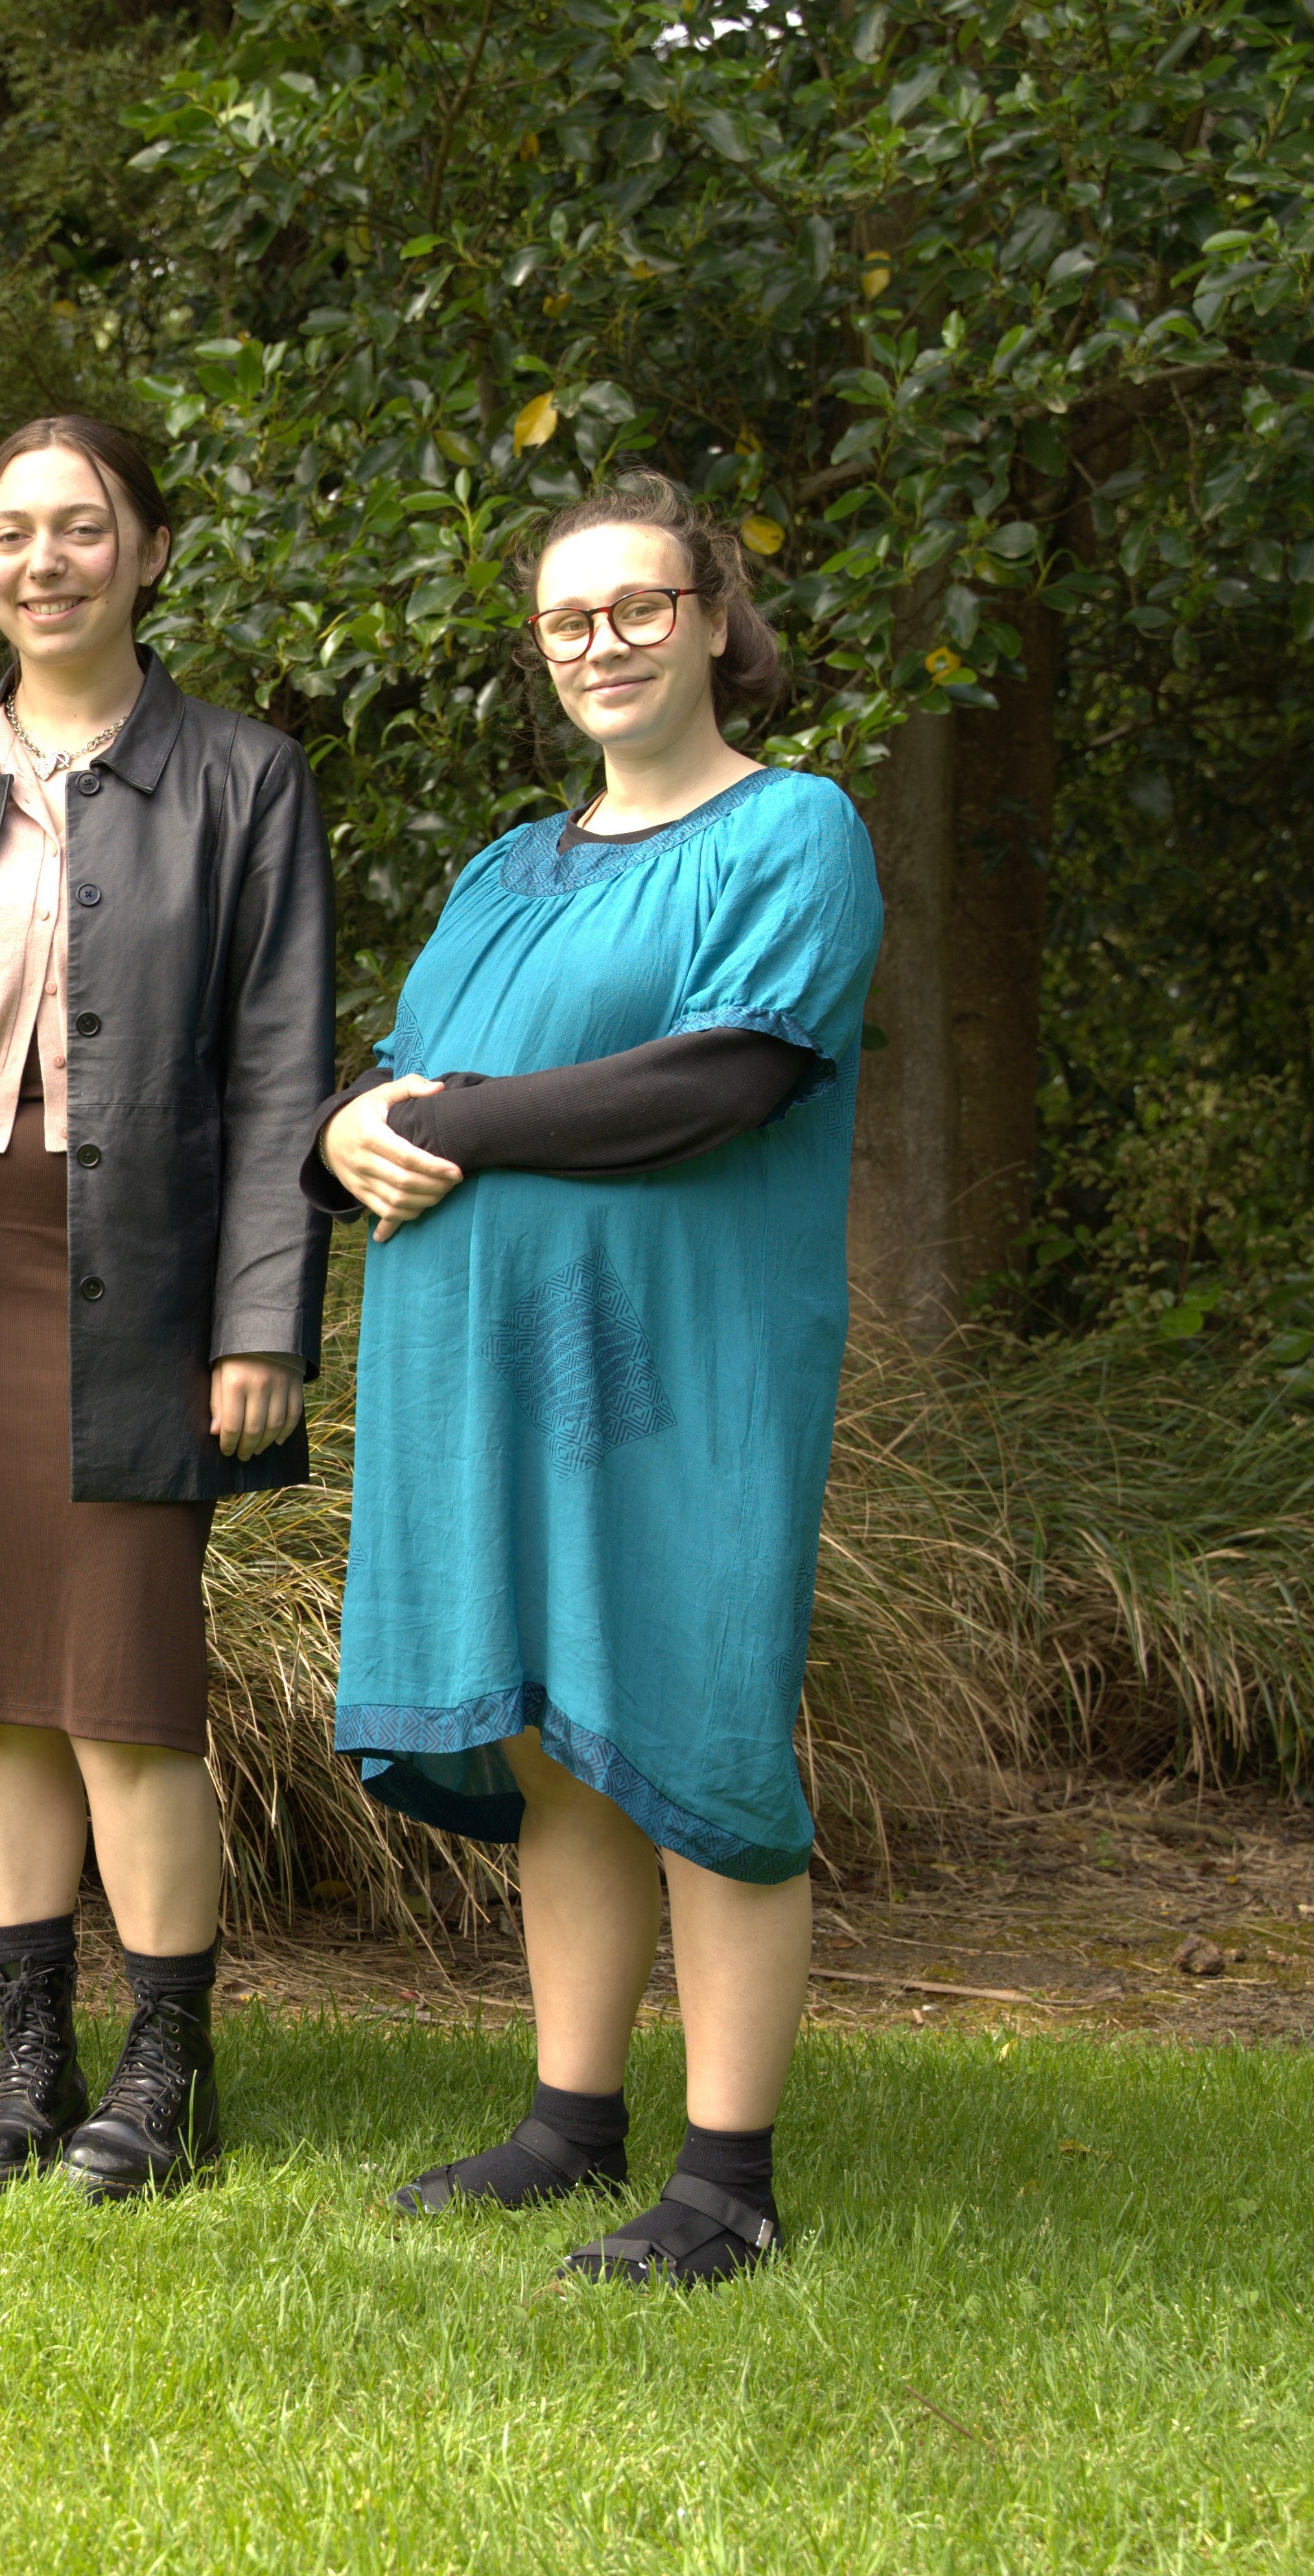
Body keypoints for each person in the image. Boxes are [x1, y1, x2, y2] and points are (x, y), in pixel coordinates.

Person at [309, 467, 881, 2284]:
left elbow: (716, 1082)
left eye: (641, 606)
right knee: (563, 1749)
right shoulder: (504, 870)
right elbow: (403, 1078)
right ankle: (571, 2119)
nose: (607, 643)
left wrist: (449, 1121)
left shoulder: (794, 830)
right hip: (492, 1371)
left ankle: (728, 2182)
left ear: (715, 615)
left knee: (701, 1738)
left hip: (689, 1363)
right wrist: (344, 1126)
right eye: (571, 620)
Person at [0, 416, 333, 2198]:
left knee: (121, 1694)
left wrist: (259, 1319)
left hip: (137, 1294)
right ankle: (32, 2058)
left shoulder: (243, 781)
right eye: (13, 529)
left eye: (80, 528)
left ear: (149, 553)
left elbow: (278, 1061)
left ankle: (168, 2068)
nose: (45, 560)